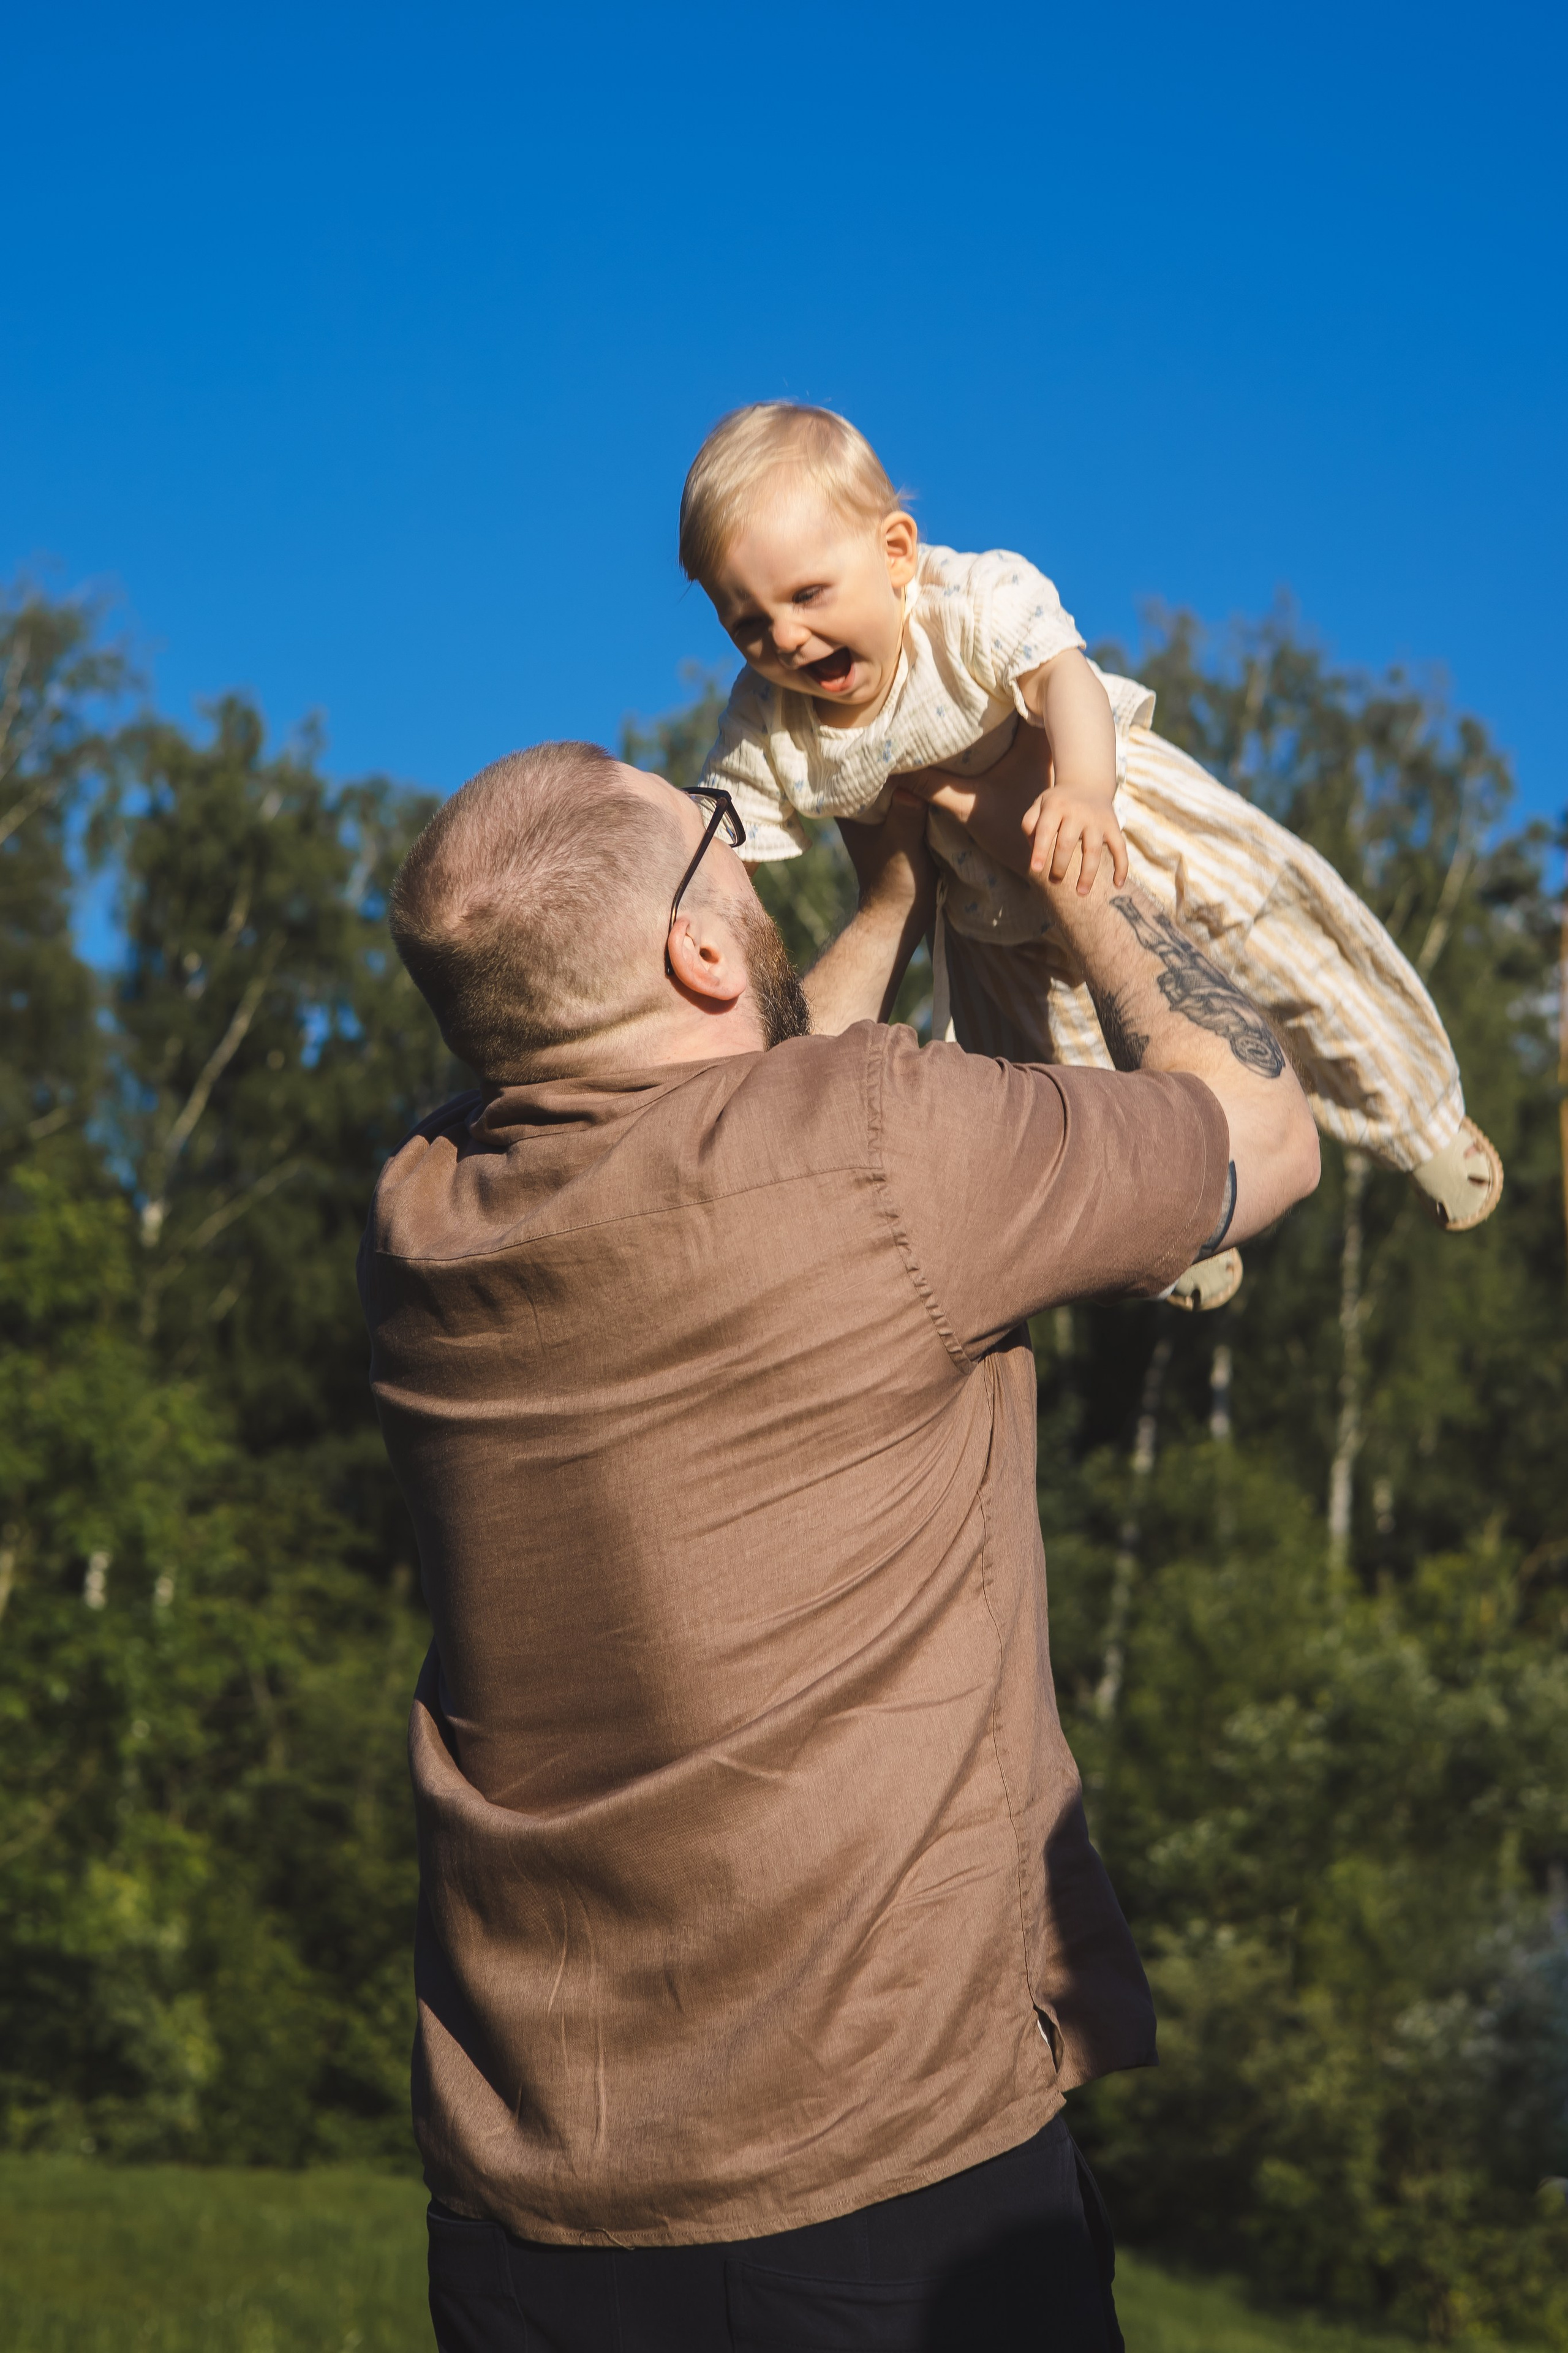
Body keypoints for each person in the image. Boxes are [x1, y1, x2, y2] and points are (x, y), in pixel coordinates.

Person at [360, 738, 1319, 2352]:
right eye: (720, 831)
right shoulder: (886, 1142)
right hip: (891, 2192)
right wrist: (1067, 858)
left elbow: (733, 1107)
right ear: (703, 945)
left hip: (530, 2216)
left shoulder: (418, 1221)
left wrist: (883, 895)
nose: (746, 846)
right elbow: (1262, 1140)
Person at [682, 400, 1501, 1309]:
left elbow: (1063, 674)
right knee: (1068, 1074)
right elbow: (724, 834)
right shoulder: (767, 716)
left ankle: (1417, 1113)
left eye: (806, 596)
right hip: (990, 917)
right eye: (748, 624)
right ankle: (1176, 1223)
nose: (784, 639)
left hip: (1120, 821)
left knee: (1285, 952)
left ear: (896, 552)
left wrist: (1082, 789)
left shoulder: (967, 606)